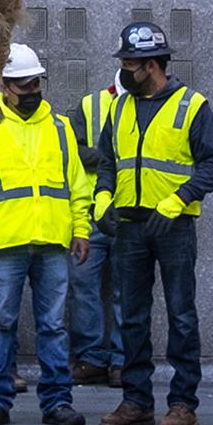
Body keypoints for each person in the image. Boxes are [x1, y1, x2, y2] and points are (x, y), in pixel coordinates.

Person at [0, 43, 100, 425]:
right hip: (3, 245)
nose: (31, 92)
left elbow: (77, 186)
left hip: (51, 243)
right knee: (2, 324)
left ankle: (57, 402)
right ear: (2, 87)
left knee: (53, 326)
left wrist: (81, 229)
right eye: (22, 86)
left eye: (35, 84)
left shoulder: (60, 128)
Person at [87, 21, 213, 425]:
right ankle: (137, 400)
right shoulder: (120, 106)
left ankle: (183, 404)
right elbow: (108, 162)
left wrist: (177, 200)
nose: (124, 69)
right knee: (132, 317)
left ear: (152, 64)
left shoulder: (192, 105)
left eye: (130, 62)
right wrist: (103, 198)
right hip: (128, 227)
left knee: (181, 315)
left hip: (174, 227)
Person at [69, 67, 125, 386]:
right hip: (91, 215)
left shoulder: (151, 107)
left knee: (126, 291)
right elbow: (72, 152)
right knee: (82, 286)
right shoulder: (90, 105)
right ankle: (91, 357)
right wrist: (111, 156)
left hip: (130, 214)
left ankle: (121, 361)